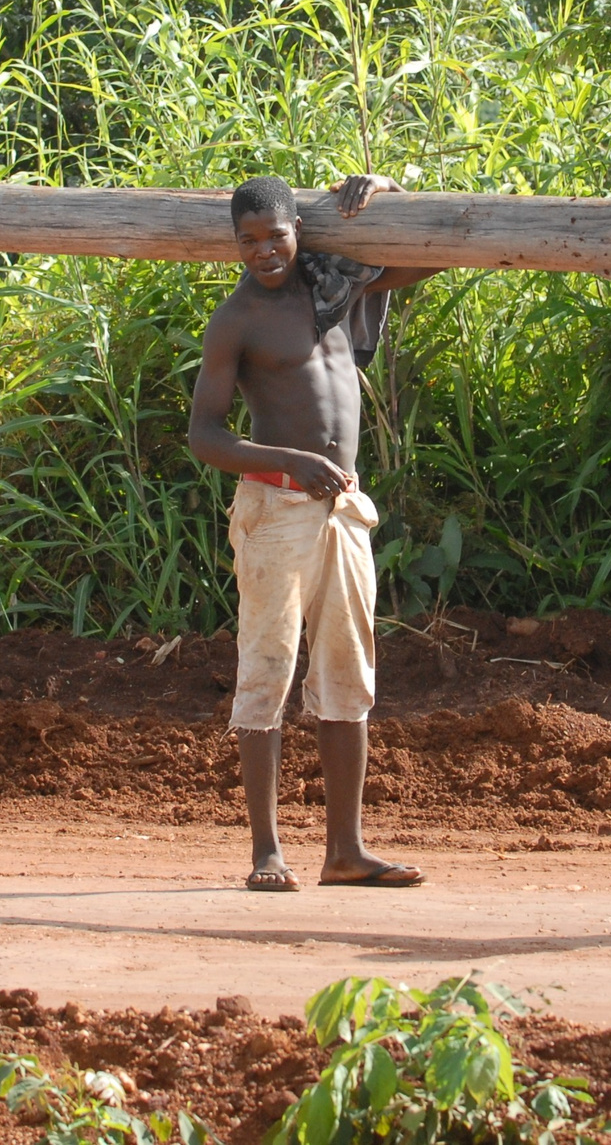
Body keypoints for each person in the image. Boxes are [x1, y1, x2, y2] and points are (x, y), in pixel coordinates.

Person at [188, 173, 440, 892]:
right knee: (267, 666)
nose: (265, 252)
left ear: (300, 230)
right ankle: (266, 850)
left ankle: (345, 851)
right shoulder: (236, 320)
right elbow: (204, 436)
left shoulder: (335, 288)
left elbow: (437, 255)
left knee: (346, 672)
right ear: (234, 245)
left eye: (277, 236)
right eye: (249, 241)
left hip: (343, 511)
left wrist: (395, 186)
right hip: (275, 509)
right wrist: (291, 461)